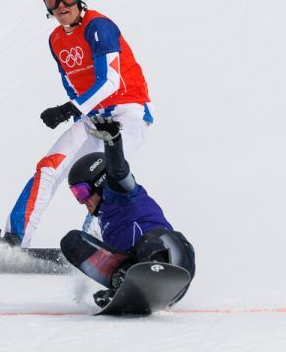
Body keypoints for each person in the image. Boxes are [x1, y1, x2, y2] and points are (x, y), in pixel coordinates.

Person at [0, 0, 155, 249]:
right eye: (51, 0)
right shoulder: (56, 39)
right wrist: (76, 110)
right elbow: (72, 84)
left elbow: (110, 81)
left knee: (105, 174)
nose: (60, 7)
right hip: (93, 117)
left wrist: (69, 109)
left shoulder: (99, 27)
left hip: (127, 114)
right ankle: (13, 239)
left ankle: (100, 242)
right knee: (49, 167)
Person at [60, 116, 195, 307]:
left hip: (174, 255)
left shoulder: (120, 192)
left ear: (99, 182)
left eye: (82, 192)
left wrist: (113, 142)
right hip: (140, 270)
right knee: (72, 241)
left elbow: (119, 172)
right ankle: (124, 283)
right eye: (76, 195)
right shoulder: (105, 219)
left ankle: (154, 269)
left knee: (149, 241)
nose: (83, 201)